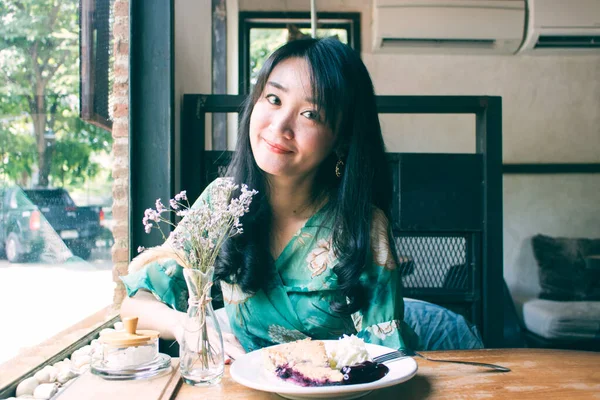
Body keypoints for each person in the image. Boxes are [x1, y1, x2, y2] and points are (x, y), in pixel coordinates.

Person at [120, 37, 419, 361]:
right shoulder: (222, 204)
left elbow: (386, 358)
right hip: (247, 387)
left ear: (342, 139)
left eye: (310, 114)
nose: (280, 126)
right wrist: (187, 326)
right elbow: (135, 304)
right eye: (274, 99)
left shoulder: (362, 226)